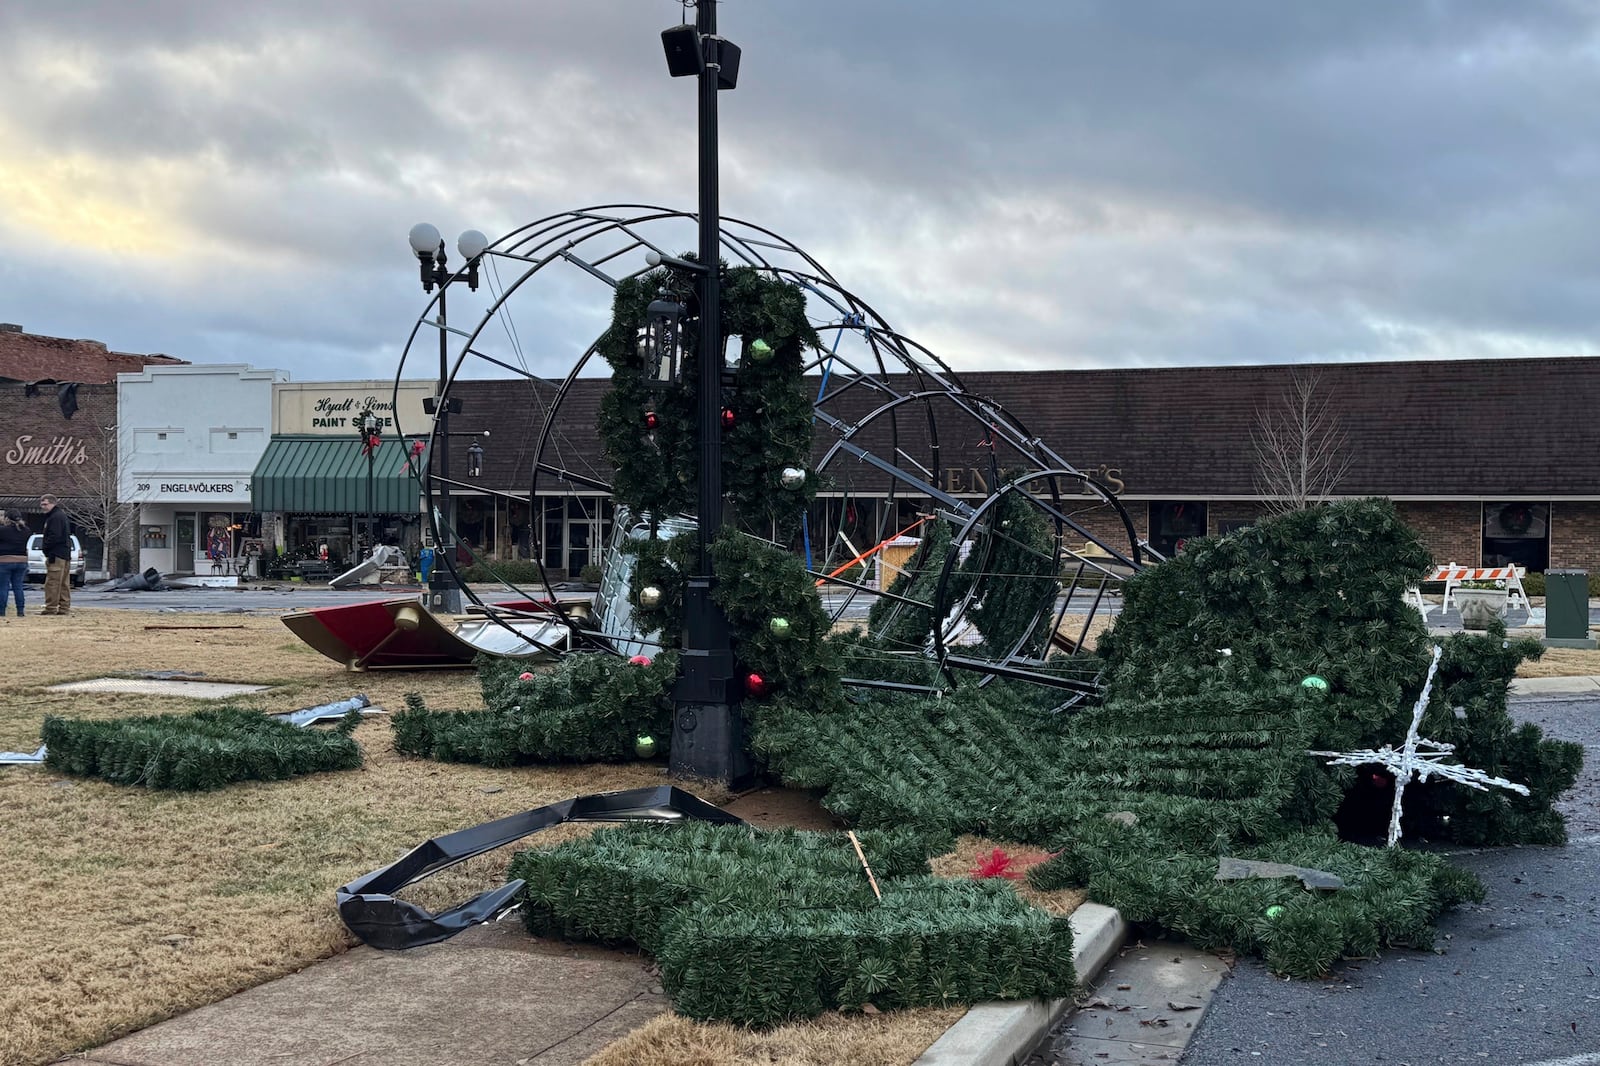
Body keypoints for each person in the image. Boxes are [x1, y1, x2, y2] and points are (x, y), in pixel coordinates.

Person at [38, 494, 72, 616]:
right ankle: (64, 608)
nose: (43, 507)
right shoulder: (60, 516)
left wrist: (46, 548)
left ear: (53, 503)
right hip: (64, 554)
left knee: (53, 582)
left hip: (56, 554)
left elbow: (54, 536)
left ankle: (51, 608)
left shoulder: (55, 517)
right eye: (41, 504)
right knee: (63, 583)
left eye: (45, 504)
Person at [0, 508, 27, 617]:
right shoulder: (26, 530)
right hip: (21, 561)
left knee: (3, 587)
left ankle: (1, 611)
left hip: (4, 560)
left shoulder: (2, 530)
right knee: (18, 586)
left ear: (7, 518)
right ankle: (20, 611)